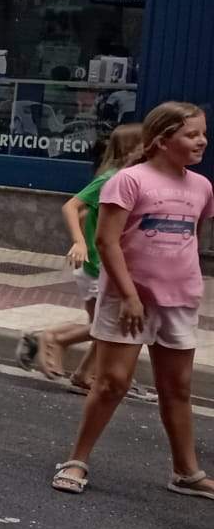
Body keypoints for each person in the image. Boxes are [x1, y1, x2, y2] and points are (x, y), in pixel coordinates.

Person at [53, 102, 214, 498]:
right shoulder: (128, 181)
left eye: (203, 133)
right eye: (191, 134)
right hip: (127, 300)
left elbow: (194, 238)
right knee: (112, 383)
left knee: (177, 387)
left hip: (179, 300)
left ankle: (186, 472)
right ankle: (76, 460)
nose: (202, 141)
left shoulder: (202, 187)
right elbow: (107, 241)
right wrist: (128, 296)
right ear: (162, 140)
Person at [31, 123, 143, 389]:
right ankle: (56, 340)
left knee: (105, 326)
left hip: (103, 266)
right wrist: (79, 241)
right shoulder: (111, 179)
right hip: (96, 266)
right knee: (104, 327)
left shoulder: (127, 179)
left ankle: (83, 373)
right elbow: (73, 206)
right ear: (133, 148)